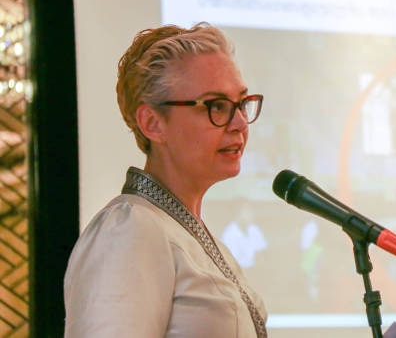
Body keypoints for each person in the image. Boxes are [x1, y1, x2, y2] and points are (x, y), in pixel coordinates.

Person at [63, 23, 268, 337]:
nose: (240, 123)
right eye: (216, 106)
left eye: (241, 103)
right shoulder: (130, 230)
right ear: (153, 123)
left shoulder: (191, 235)